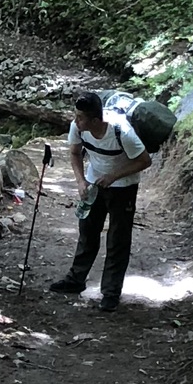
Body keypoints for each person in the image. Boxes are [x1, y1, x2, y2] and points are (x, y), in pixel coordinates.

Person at [49, 91, 151, 310]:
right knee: (87, 230)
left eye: (80, 118)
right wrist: (80, 181)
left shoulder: (121, 131)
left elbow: (144, 160)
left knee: (117, 239)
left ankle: (111, 293)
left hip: (123, 188)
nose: (75, 121)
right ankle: (76, 280)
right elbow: (75, 154)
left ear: (95, 120)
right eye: (76, 116)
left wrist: (115, 176)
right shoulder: (78, 128)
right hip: (95, 183)